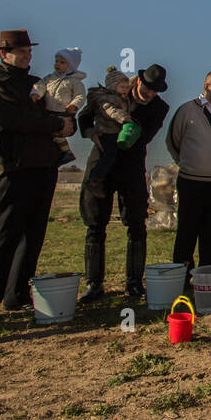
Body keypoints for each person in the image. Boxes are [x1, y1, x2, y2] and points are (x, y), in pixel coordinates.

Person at [0, 30, 75, 321]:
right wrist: (54, 122)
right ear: (4, 54)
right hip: (15, 166)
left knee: (33, 235)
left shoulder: (36, 83)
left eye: (29, 52)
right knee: (5, 235)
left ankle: (16, 295)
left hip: (44, 164)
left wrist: (66, 120)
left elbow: (61, 112)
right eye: (21, 52)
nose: (27, 57)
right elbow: (11, 118)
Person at [78, 65, 170, 301]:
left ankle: (134, 282)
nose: (149, 94)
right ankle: (94, 283)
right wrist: (91, 132)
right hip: (101, 163)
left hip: (131, 164)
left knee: (137, 222)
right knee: (96, 223)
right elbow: (85, 115)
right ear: (138, 82)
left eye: (155, 91)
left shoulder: (159, 108)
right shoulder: (113, 92)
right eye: (147, 88)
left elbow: (143, 135)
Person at [166, 71, 211, 270]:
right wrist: (187, 163)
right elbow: (173, 140)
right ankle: (183, 269)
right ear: (206, 86)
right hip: (192, 180)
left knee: (209, 228)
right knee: (187, 227)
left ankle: (205, 268)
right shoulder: (187, 110)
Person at [30, 47, 87, 167]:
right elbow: (40, 85)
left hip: (63, 112)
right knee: (47, 134)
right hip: (49, 111)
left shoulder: (74, 82)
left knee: (58, 135)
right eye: (56, 61)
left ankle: (66, 152)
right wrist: (35, 93)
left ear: (71, 65)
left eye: (62, 62)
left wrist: (74, 105)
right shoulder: (50, 78)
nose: (57, 64)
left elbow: (80, 96)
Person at [81, 67, 134, 195]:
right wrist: (123, 118)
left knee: (111, 157)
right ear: (113, 86)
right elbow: (110, 111)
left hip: (114, 133)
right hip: (106, 133)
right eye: (122, 87)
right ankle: (94, 178)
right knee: (108, 156)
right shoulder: (108, 99)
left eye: (127, 87)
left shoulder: (121, 98)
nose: (125, 90)